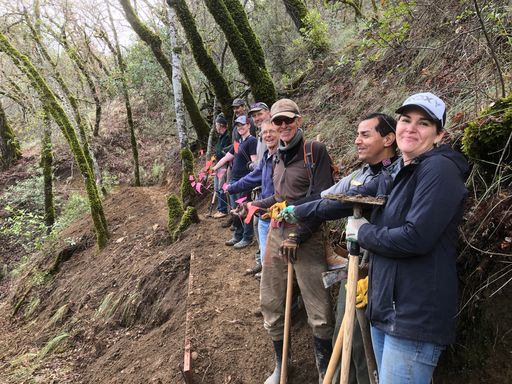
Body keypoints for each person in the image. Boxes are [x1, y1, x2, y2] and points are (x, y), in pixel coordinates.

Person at [287, 92, 469, 384]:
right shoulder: (398, 171)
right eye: (405, 120)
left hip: (414, 319)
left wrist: (363, 232)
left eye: (423, 123)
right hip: (386, 311)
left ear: (439, 135)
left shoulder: (440, 170)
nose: (410, 128)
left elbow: (416, 238)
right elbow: (344, 200)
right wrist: (296, 211)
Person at [249, 99, 335, 384]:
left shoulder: (315, 152)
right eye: (277, 121)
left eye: (288, 120)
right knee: (271, 302)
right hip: (277, 234)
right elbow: (279, 197)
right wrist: (255, 205)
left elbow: (324, 200)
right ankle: (280, 366)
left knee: (318, 309)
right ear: (271, 124)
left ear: (299, 120)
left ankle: (325, 371)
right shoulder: (276, 156)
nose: (283, 126)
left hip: (307, 237)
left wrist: (299, 234)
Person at [322, 112, 399, 384]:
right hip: (354, 266)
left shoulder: (398, 175)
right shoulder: (361, 172)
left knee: (361, 344)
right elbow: (328, 198)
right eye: (357, 134)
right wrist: (300, 210)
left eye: (365, 135)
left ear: (389, 138)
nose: (357, 140)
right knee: (342, 337)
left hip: (379, 272)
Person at [227, 119, 278, 275]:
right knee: (265, 257)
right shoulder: (266, 159)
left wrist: (254, 203)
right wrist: (231, 187)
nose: (268, 135)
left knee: (276, 261)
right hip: (263, 213)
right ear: (261, 135)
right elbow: (252, 177)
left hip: (278, 215)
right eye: (264, 132)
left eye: (271, 131)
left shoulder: (283, 158)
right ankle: (264, 273)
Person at [212, 115, 258, 249]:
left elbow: (254, 162)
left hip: (245, 181)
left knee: (244, 209)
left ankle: (247, 237)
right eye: (238, 125)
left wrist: (250, 180)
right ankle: (238, 235)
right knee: (235, 210)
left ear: (249, 125)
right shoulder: (238, 143)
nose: (240, 127)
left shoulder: (252, 141)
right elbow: (227, 157)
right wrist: (214, 167)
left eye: (242, 125)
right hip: (233, 181)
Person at [212, 113, 232, 219]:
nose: (216, 127)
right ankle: (220, 208)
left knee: (221, 186)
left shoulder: (228, 137)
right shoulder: (221, 137)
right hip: (218, 163)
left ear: (220, 125)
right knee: (216, 186)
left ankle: (223, 209)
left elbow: (227, 152)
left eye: (216, 125)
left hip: (223, 164)